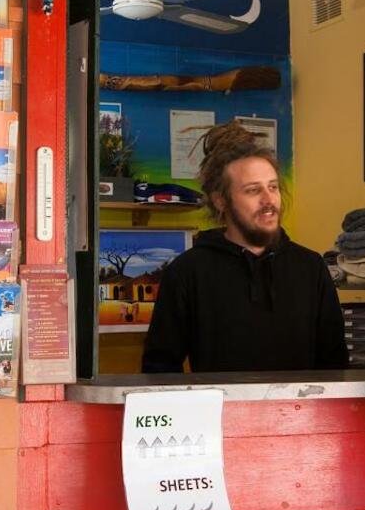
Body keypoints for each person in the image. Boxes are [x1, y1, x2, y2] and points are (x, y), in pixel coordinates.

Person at [142, 120, 348, 373]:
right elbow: (159, 369)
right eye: (253, 190)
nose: (268, 200)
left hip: (300, 412)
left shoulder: (311, 267)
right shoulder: (188, 272)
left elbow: (336, 365)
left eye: (272, 187)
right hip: (220, 412)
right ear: (221, 201)